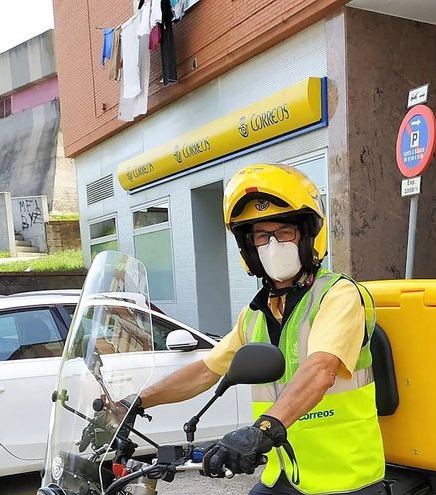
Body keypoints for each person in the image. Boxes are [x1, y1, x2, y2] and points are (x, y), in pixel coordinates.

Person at [132, 163, 386, 495]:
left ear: (308, 235)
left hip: (344, 479)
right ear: (250, 248)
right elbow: (206, 370)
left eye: (284, 232)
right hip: (283, 475)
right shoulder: (254, 315)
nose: (272, 245)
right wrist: (134, 403)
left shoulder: (338, 296)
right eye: (261, 236)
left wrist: (261, 429)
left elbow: (321, 369)